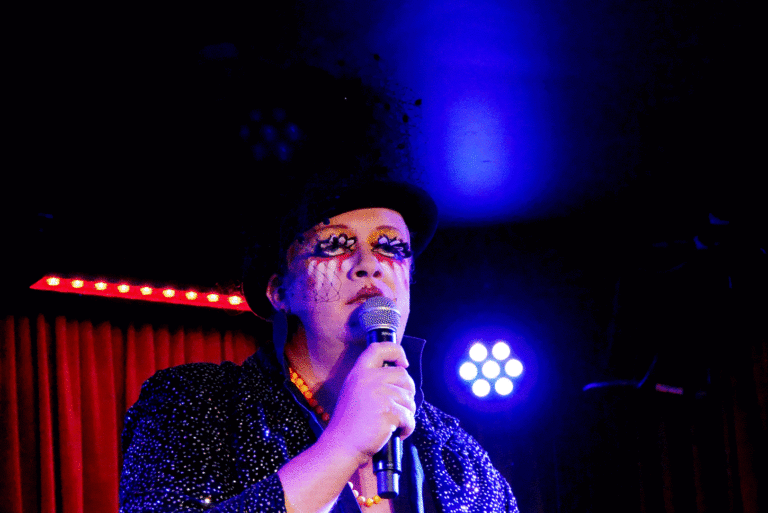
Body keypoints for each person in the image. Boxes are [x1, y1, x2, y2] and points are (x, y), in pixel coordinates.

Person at [119, 179, 520, 512]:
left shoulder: (459, 457)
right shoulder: (197, 405)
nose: (369, 264)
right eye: (335, 245)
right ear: (280, 292)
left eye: (390, 246)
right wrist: (340, 449)